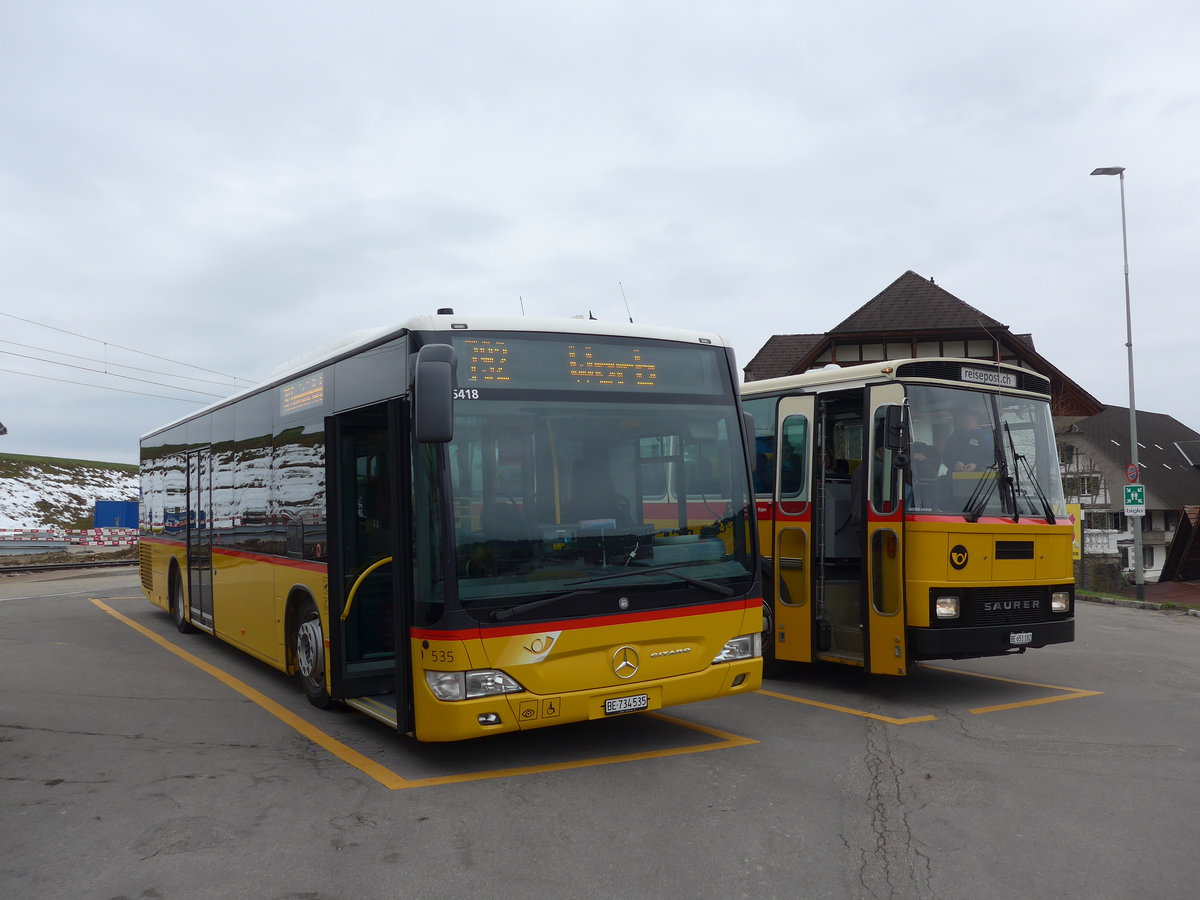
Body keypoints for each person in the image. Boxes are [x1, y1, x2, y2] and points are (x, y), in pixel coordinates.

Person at [943, 407, 994, 473]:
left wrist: (977, 466)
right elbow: (946, 458)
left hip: (979, 480)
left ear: (976, 417)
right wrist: (954, 464)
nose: (964, 424)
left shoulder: (986, 438)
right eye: (962, 421)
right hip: (954, 480)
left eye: (966, 420)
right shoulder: (955, 436)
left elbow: (991, 460)